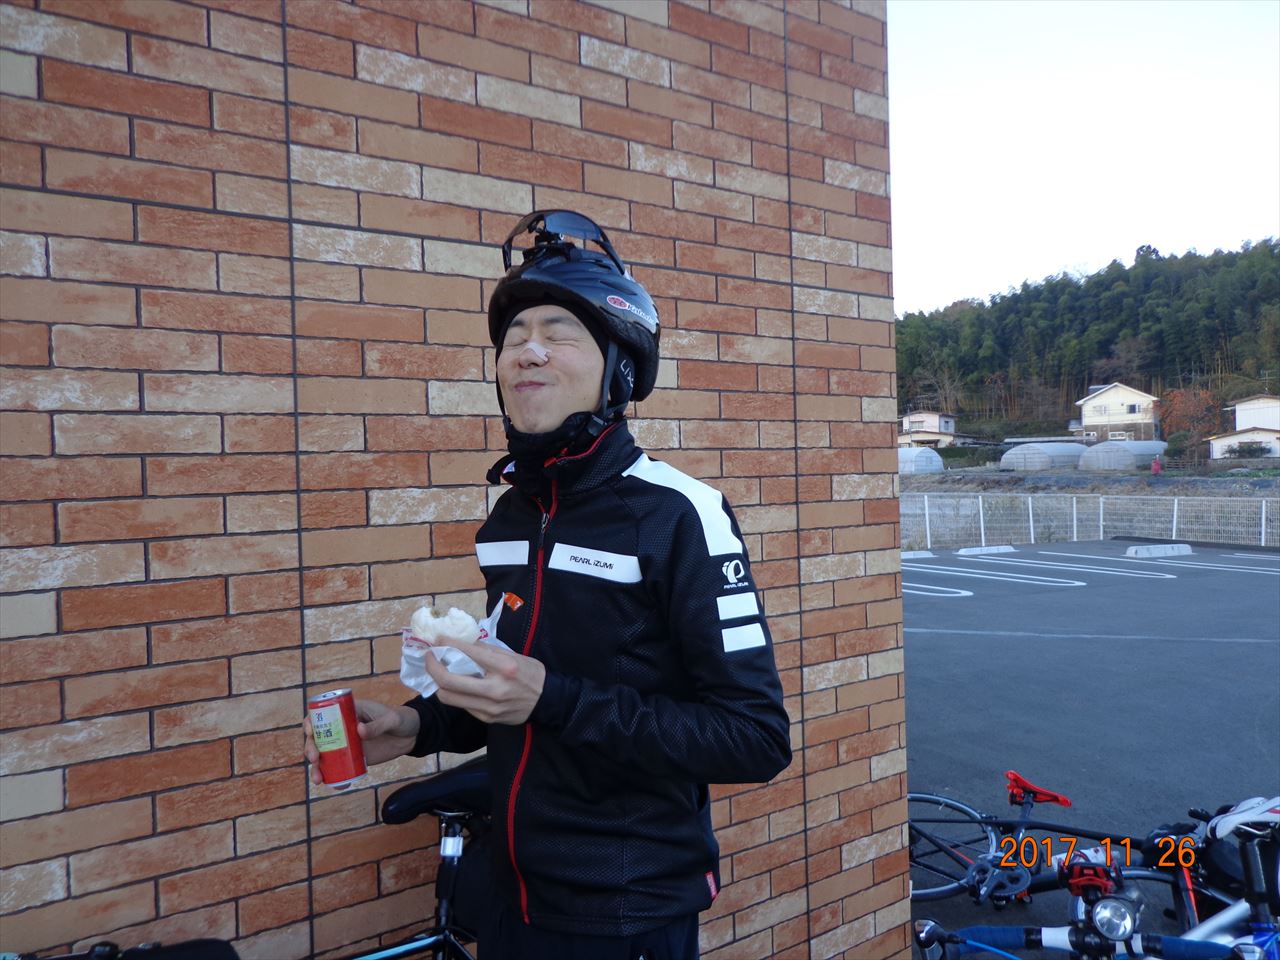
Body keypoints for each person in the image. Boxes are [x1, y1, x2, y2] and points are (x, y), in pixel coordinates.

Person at [304, 210, 792, 959]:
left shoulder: (679, 515)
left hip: (623, 915)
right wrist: (419, 727)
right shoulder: (510, 516)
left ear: (619, 368)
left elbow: (754, 739)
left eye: (559, 333)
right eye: (514, 337)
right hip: (508, 899)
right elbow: (512, 692)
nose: (528, 351)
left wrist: (555, 699)